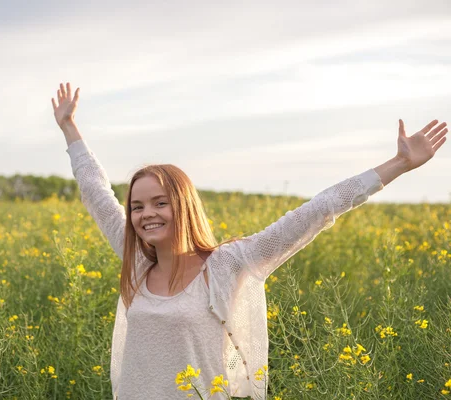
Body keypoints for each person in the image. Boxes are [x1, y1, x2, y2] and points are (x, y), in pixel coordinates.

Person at [51, 81, 448, 399]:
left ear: (184, 206)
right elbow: (96, 191)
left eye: (160, 202)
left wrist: (398, 164)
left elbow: (317, 211)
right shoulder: (136, 264)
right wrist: (70, 127)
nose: (146, 214)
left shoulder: (227, 265)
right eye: (137, 206)